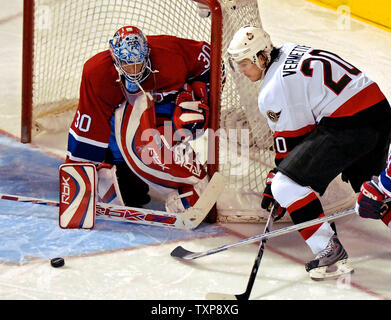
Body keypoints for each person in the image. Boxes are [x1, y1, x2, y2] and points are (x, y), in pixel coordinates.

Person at [227, 25, 391, 279]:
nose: (241, 70)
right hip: (379, 111)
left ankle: (328, 250)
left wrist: (277, 177)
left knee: (285, 185)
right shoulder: (290, 49)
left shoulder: (273, 89)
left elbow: (294, 140)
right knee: (376, 189)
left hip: (350, 124)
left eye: (245, 63)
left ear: (262, 57)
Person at [66, 26, 212, 214]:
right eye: (127, 63)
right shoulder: (98, 73)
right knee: (133, 195)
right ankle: (108, 172)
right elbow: (89, 128)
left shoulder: (171, 55)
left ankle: (190, 182)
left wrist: (196, 97)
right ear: (115, 58)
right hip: (121, 132)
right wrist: (78, 176)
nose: (134, 69)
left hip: (163, 113)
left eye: (139, 62)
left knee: (157, 143)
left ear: (147, 52)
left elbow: (212, 62)